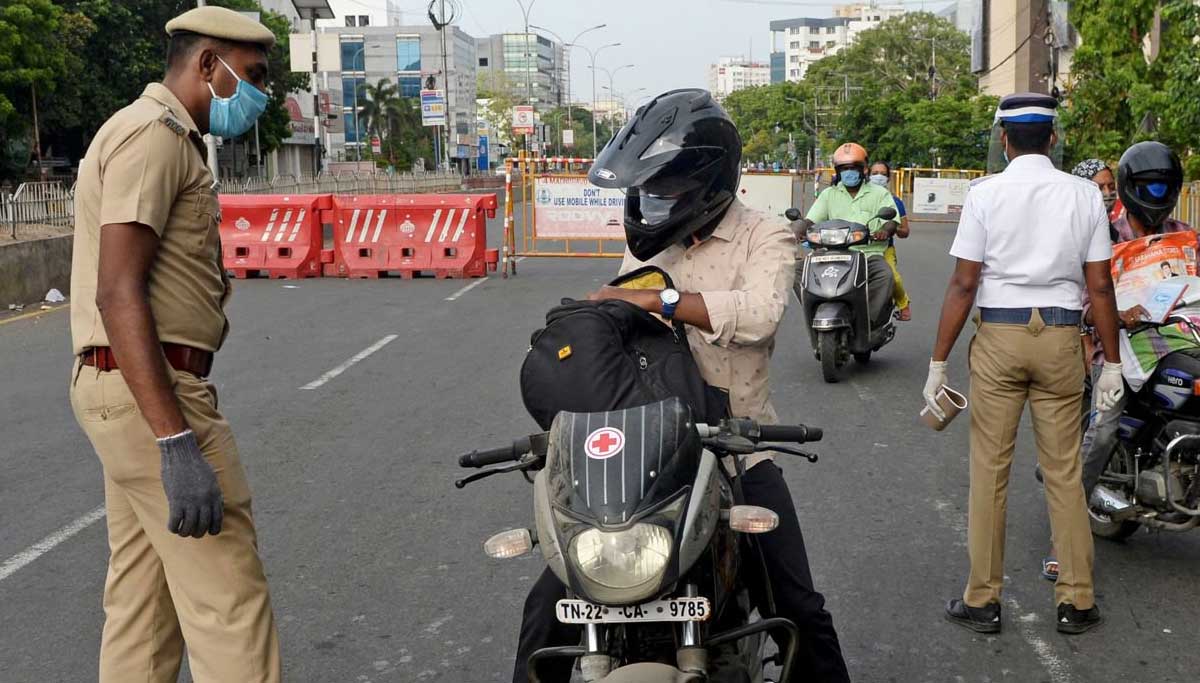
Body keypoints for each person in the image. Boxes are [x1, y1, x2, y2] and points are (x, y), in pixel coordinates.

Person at [511, 89, 850, 683]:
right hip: (649, 453)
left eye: (664, 188)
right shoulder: (652, 241)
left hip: (737, 446)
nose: (651, 203)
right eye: (647, 190)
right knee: (547, 607)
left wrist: (660, 298)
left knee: (796, 605)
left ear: (706, 180)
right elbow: (622, 329)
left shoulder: (766, 236)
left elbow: (762, 312)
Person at [68, 7, 280, 681]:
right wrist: (175, 440)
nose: (259, 95)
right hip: (156, 392)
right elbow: (117, 291)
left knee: (142, 600)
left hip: (129, 386)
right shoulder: (152, 136)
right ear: (207, 63)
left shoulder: (167, 137)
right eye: (251, 77)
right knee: (229, 603)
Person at [923, 93, 1122, 636]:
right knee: (1063, 473)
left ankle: (983, 601)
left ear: (1005, 139)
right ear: (1053, 139)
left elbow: (965, 282)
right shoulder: (1084, 194)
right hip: (1060, 336)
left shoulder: (986, 194)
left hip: (1000, 338)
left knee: (989, 472)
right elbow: (1100, 285)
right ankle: (1077, 601)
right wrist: (1112, 363)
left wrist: (939, 362)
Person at [1077, 141, 1193, 510]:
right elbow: (1086, 308)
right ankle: (1068, 515)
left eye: (1164, 185)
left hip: (1178, 344)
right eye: (1149, 186)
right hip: (1115, 352)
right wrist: (1117, 315)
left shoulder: (1186, 237)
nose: (1157, 194)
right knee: (1106, 427)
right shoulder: (1104, 236)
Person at [1038, 157, 1121, 582]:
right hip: (1093, 341)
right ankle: (1062, 538)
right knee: (1100, 427)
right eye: (1100, 186)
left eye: (1112, 186)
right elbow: (1088, 292)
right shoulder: (1081, 228)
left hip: (1164, 341)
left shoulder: (1164, 233)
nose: (1107, 193)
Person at [802, 142, 899, 324]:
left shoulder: (879, 194)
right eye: (844, 168)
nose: (849, 172)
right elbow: (810, 220)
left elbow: (892, 221)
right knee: (799, 270)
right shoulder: (829, 194)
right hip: (831, 255)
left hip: (868, 255)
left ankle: (870, 321)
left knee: (885, 275)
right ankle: (815, 312)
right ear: (837, 171)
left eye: (854, 167)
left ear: (864, 170)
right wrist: (796, 230)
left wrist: (884, 231)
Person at [869, 161, 913, 320]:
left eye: (882, 173)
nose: (878, 177)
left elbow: (905, 231)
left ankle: (904, 304)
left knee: (892, 276)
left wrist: (890, 230)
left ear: (888, 178)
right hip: (856, 247)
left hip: (884, 248)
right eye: (874, 173)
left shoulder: (896, 202)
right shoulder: (860, 198)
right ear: (867, 176)